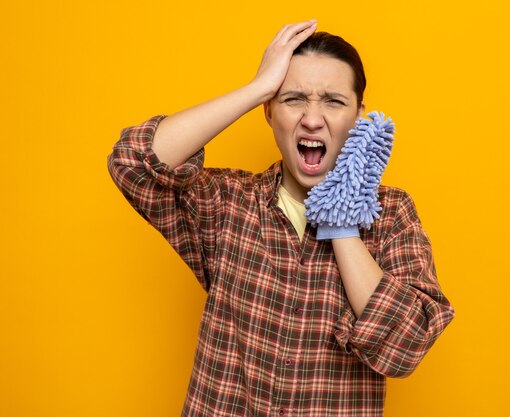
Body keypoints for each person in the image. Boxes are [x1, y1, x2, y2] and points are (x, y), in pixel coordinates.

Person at [107, 20, 454, 417]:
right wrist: (257, 88)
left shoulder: (392, 215)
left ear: (359, 117)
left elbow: (407, 345)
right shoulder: (228, 204)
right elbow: (132, 160)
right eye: (293, 99)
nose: (311, 118)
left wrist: (341, 221)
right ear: (269, 112)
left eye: (333, 101)